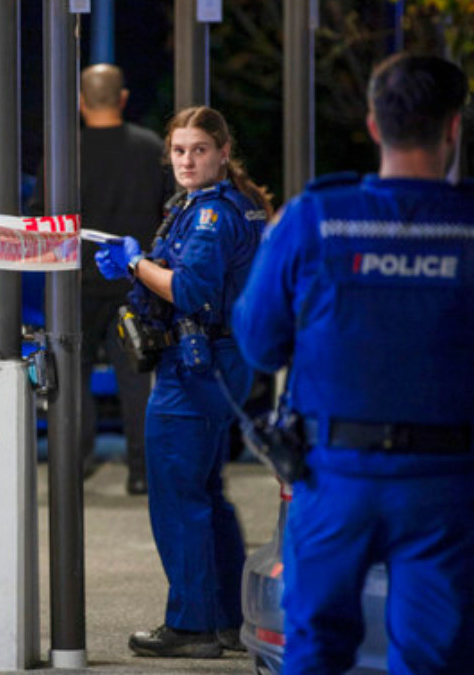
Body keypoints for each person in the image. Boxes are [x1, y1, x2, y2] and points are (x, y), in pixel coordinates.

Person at [233, 54, 474, 674]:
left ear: (373, 125)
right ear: (453, 127)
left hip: (334, 476)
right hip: (445, 483)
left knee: (315, 651)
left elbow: (258, 344)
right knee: (435, 658)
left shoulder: (315, 218)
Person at [94, 105, 271, 658]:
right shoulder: (213, 206)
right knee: (208, 495)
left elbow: (192, 290)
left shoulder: (212, 215)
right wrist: (143, 267)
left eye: (199, 150)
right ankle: (224, 619)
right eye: (178, 151)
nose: (187, 160)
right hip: (218, 363)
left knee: (178, 498)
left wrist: (133, 265)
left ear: (223, 152)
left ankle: (192, 625)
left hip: (196, 368)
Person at [77, 64, 170, 496]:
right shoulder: (150, 148)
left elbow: (41, 213)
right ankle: (140, 472)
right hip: (135, 279)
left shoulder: (65, 149)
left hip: (75, 283)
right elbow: (167, 212)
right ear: (123, 98)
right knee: (136, 376)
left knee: (72, 373)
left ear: (81, 100)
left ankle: (75, 462)